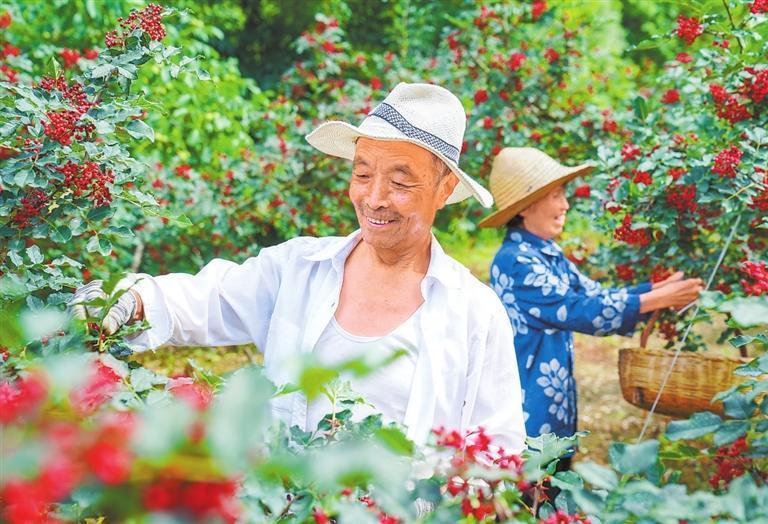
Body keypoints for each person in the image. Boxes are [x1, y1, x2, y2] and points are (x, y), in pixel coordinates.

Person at [71, 83, 527, 453]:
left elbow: (497, 450)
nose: (374, 198)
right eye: (363, 174)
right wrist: (129, 300)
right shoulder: (300, 268)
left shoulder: (475, 313)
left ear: (445, 188)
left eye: (401, 180)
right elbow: (207, 298)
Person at [477, 147, 702, 464]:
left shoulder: (544, 252)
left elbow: (593, 294)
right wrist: (655, 299)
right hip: (529, 410)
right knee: (532, 500)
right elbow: (580, 309)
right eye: (555, 195)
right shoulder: (516, 262)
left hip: (552, 404)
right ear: (526, 207)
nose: (565, 204)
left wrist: (654, 290)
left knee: (553, 493)